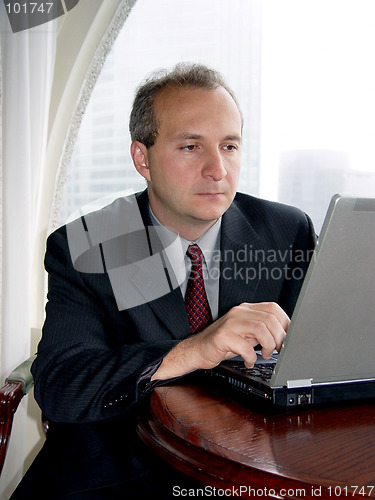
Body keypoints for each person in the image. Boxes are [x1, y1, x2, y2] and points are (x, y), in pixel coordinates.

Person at [12, 62, 316, 499]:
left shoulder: (286, 230)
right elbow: (62, 385)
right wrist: (195, 349)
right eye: (192, 146)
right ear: (143, 158)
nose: (217, 169)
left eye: (229, 146)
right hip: (117, 474)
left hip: (248, 470)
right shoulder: (89, 245)